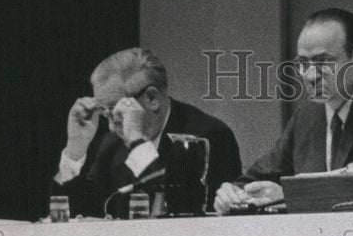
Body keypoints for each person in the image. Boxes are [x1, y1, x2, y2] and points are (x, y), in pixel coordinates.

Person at [214, 9, 353, 214]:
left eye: (323, 61)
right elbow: (259, 176)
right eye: (303, 63)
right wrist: (232, 193)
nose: (309, 76)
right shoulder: (306, 117)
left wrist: (291, 196)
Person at [52, 47, 241, 217]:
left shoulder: (209, 136)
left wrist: (137, 142)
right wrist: (74, 150)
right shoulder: (111, 145)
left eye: (115, 110)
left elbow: (182, 215)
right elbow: (78, 214)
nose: (110, 126)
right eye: (103, 112)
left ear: (152, 98)